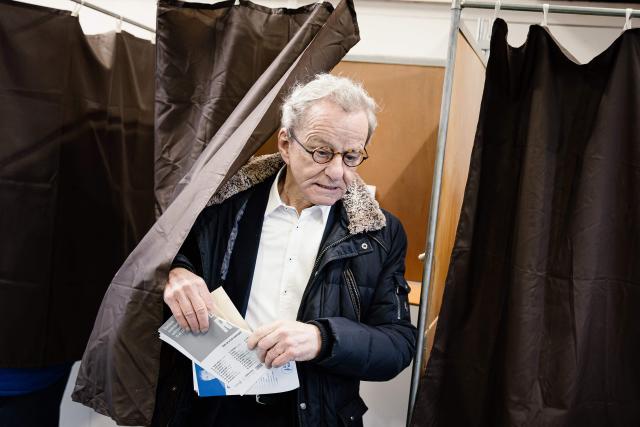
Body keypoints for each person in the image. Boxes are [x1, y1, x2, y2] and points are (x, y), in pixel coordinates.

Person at [152, 74, 417, 426]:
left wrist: (322, 338)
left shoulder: (380, 233)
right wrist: (178, 271)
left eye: (352, 156)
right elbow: (163, 256)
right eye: (321, 151)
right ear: (285, 144)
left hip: (310, 413)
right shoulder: (222, 205)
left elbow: (397, 345)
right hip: (211, 408)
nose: (337, 172)